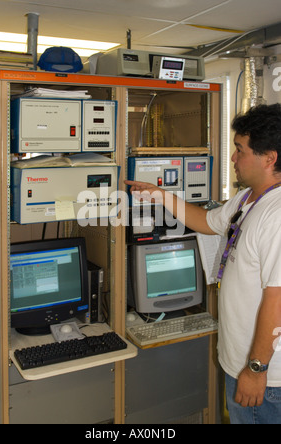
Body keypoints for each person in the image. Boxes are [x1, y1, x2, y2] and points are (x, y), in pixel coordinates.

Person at [125, 104, 281, 424]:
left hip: (266, 375)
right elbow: (208, 222)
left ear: (269, 158)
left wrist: (256, 369)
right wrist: (160, 195)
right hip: (239, 360)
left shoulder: (277, 216)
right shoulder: (249, 199)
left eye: (240, 150)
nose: (234, 159)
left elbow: (277, 301)